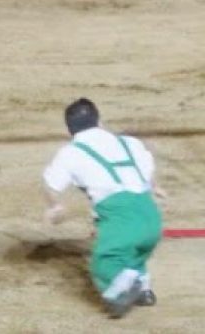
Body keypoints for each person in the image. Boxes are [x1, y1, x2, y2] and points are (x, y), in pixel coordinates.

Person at [43, 98, 165, 319]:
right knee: (135, 254)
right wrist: (156, 187)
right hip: (150, 215)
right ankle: (144, 290)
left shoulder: (71, 152)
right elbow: (148, 168)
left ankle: (123, 289)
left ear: (70, 129)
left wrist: (56, 206)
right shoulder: (130, 142)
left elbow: (51, 184)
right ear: (99, 121)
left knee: (105, 260)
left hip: (120, 218)